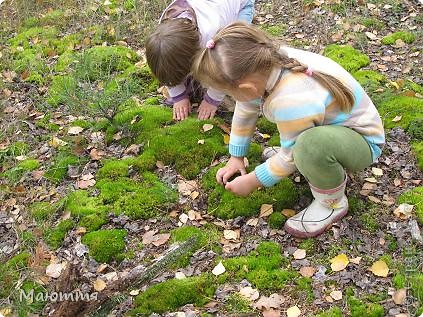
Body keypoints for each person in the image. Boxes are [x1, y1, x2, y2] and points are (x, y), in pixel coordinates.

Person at [192, 22, 385, 238]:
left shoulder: (290, 99)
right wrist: (236, 156)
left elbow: (291, 156)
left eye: (230, 93)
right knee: (304, 146)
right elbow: (246, 107)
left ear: (247, 88)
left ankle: (332, 203)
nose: (232, 99)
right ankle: (315, 160)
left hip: (363, 142)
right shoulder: (268, 63)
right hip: (336, 131)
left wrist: (253, 180)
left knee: (308, 147)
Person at [145, 0, 255, 121]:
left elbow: (227, 69)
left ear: (194, 56)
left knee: (239, 48)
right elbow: (167, 67)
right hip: (208, 7)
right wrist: (179, 96)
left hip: (240, 6)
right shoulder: (164, 29)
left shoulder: (214, 36)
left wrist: (212, 100)